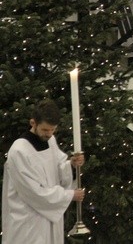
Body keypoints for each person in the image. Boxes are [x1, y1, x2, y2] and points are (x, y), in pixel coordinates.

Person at [2, 99, 86, 243]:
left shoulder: (50, 141)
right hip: (28, 222)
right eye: (45, 130)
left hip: (47, 220)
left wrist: (71, 165)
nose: (49, 134)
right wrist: (69, 195)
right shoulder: (19, 151)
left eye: (53, 130)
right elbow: (33, 192)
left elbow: (57, 170)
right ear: (33, 123)